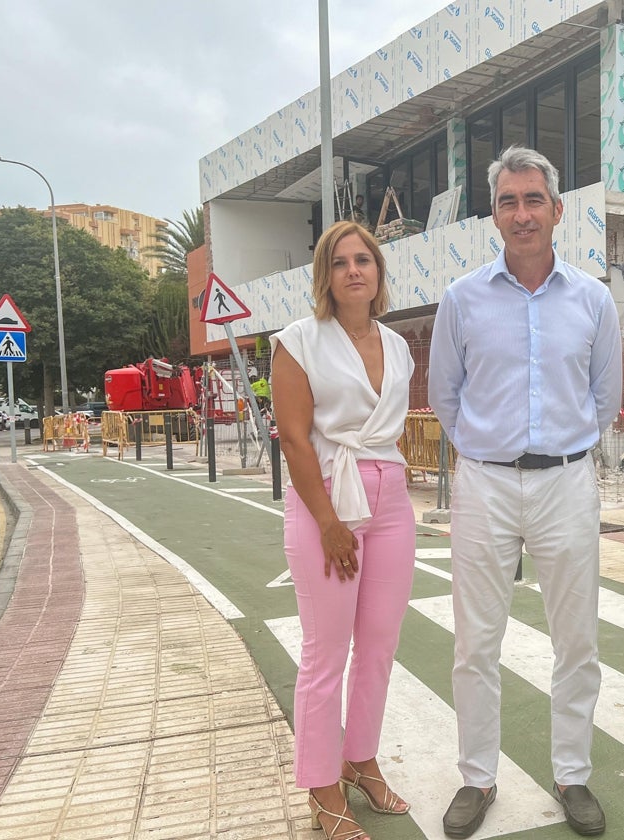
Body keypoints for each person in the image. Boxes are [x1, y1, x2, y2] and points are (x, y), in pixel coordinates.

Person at [428, 145, 623, 838]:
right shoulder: (461, 299)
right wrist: (489, 451)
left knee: (577, 641)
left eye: (533, 199)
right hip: (483, 483)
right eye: (508, 201)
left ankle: (572, 775)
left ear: (557, 209)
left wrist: (559, 450)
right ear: (494, 215)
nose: (521, 213)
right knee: (475, 643)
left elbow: (605, 400)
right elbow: (444, 397)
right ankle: (477, 778)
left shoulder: (594, 300)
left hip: (567, 481)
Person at [270, 220, 416, 840]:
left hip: (391, 499)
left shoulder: (399, 345)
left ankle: (360, 758)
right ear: (325, 276)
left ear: (379, 273)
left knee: (380, 646)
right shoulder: (298, 341)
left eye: (364, 260)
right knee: (325, 652)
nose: (354, 270)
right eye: (340, 262)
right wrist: (329, 523)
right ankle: (321, 785)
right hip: (328, 497)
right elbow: (296, 441)